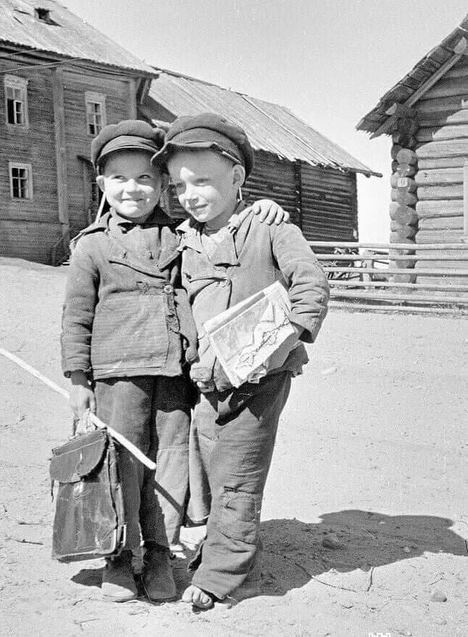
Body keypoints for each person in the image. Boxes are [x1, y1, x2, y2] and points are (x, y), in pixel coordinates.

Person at [60, 119, 288, 604]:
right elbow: (76, 316)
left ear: (162, 185)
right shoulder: (91, 246)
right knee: (119, 465)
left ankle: (160, 553)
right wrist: (78, 377)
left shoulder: (181, 235)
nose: (133, 188)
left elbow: (228, 229)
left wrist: (264, 206)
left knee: (171, 466)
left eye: (146, 178)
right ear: (102, 184)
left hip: (173, 375)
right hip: (115, 377)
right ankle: (119, 557)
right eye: (119, 178)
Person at [152, 113, 330, 609]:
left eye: (203, 181)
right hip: (206, 383)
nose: (190, 194)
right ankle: (216, 551)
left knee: (239, 475)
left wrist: (283, 337)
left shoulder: (270, 228)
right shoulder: (180, 241)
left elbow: (311, 283)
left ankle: (223, 578)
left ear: (237, 179)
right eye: (179, 185)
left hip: (259, 383)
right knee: (207, 472)